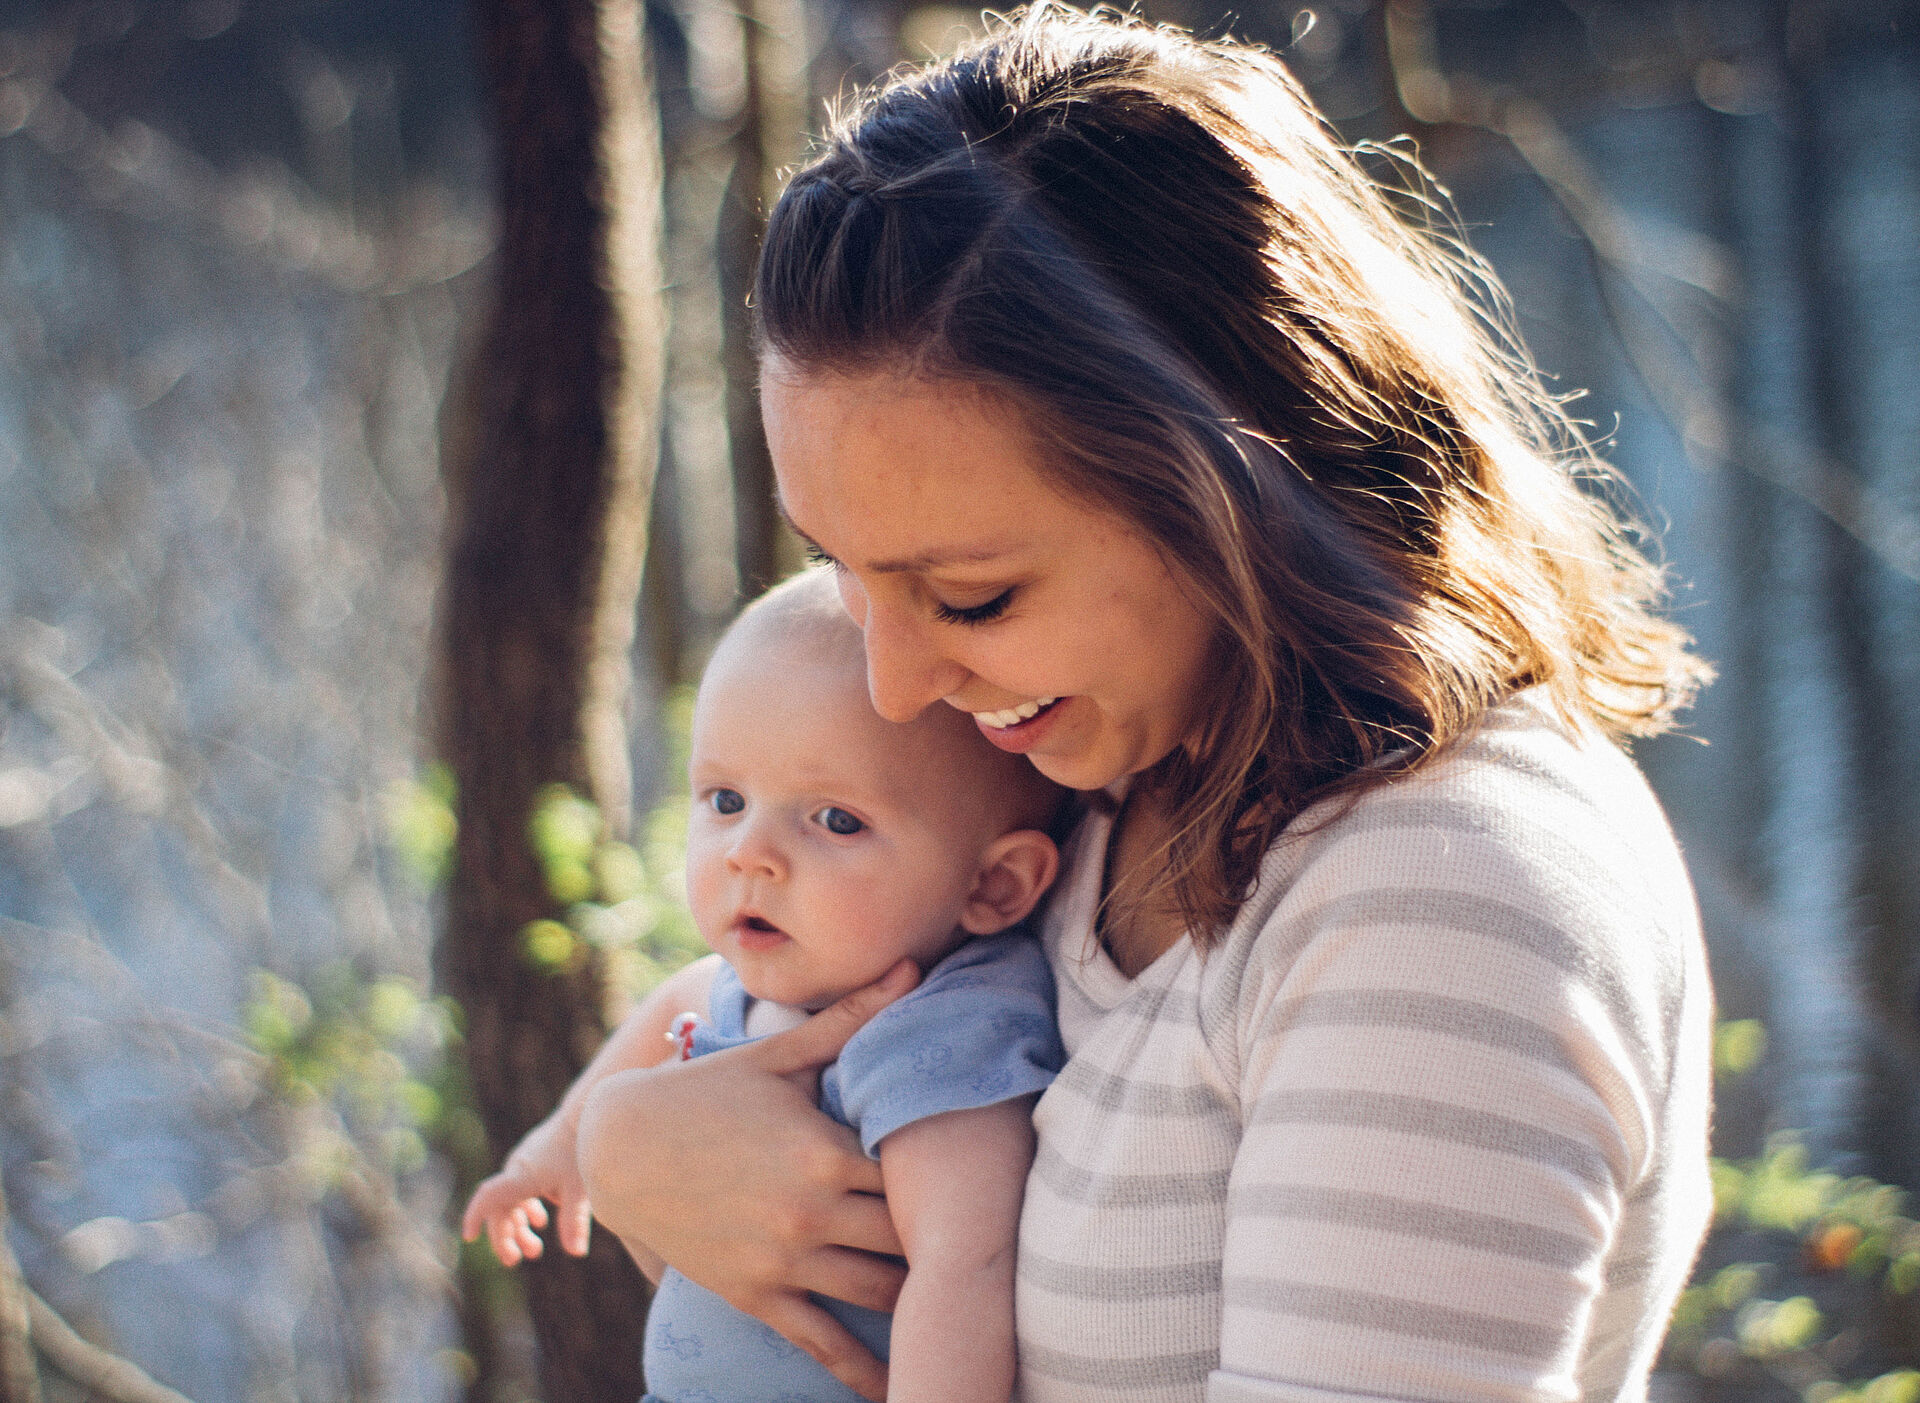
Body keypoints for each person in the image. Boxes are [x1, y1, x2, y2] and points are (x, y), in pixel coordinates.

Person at [573, 6, 1718, 1402]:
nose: (894, 682)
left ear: (1240, 489)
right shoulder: (1110, 774)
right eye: (842, 571)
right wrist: (636, 1147)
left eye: (974, 595)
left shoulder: (1441, 895)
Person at [462, 571, 1069, 1403]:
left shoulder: (940, 1033)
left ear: (994, 885)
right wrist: (550, 1153)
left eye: (835, 819)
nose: (750, 851)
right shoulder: (736, 987)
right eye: (726, 798)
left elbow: (965, 1268)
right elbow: (666, 1008)